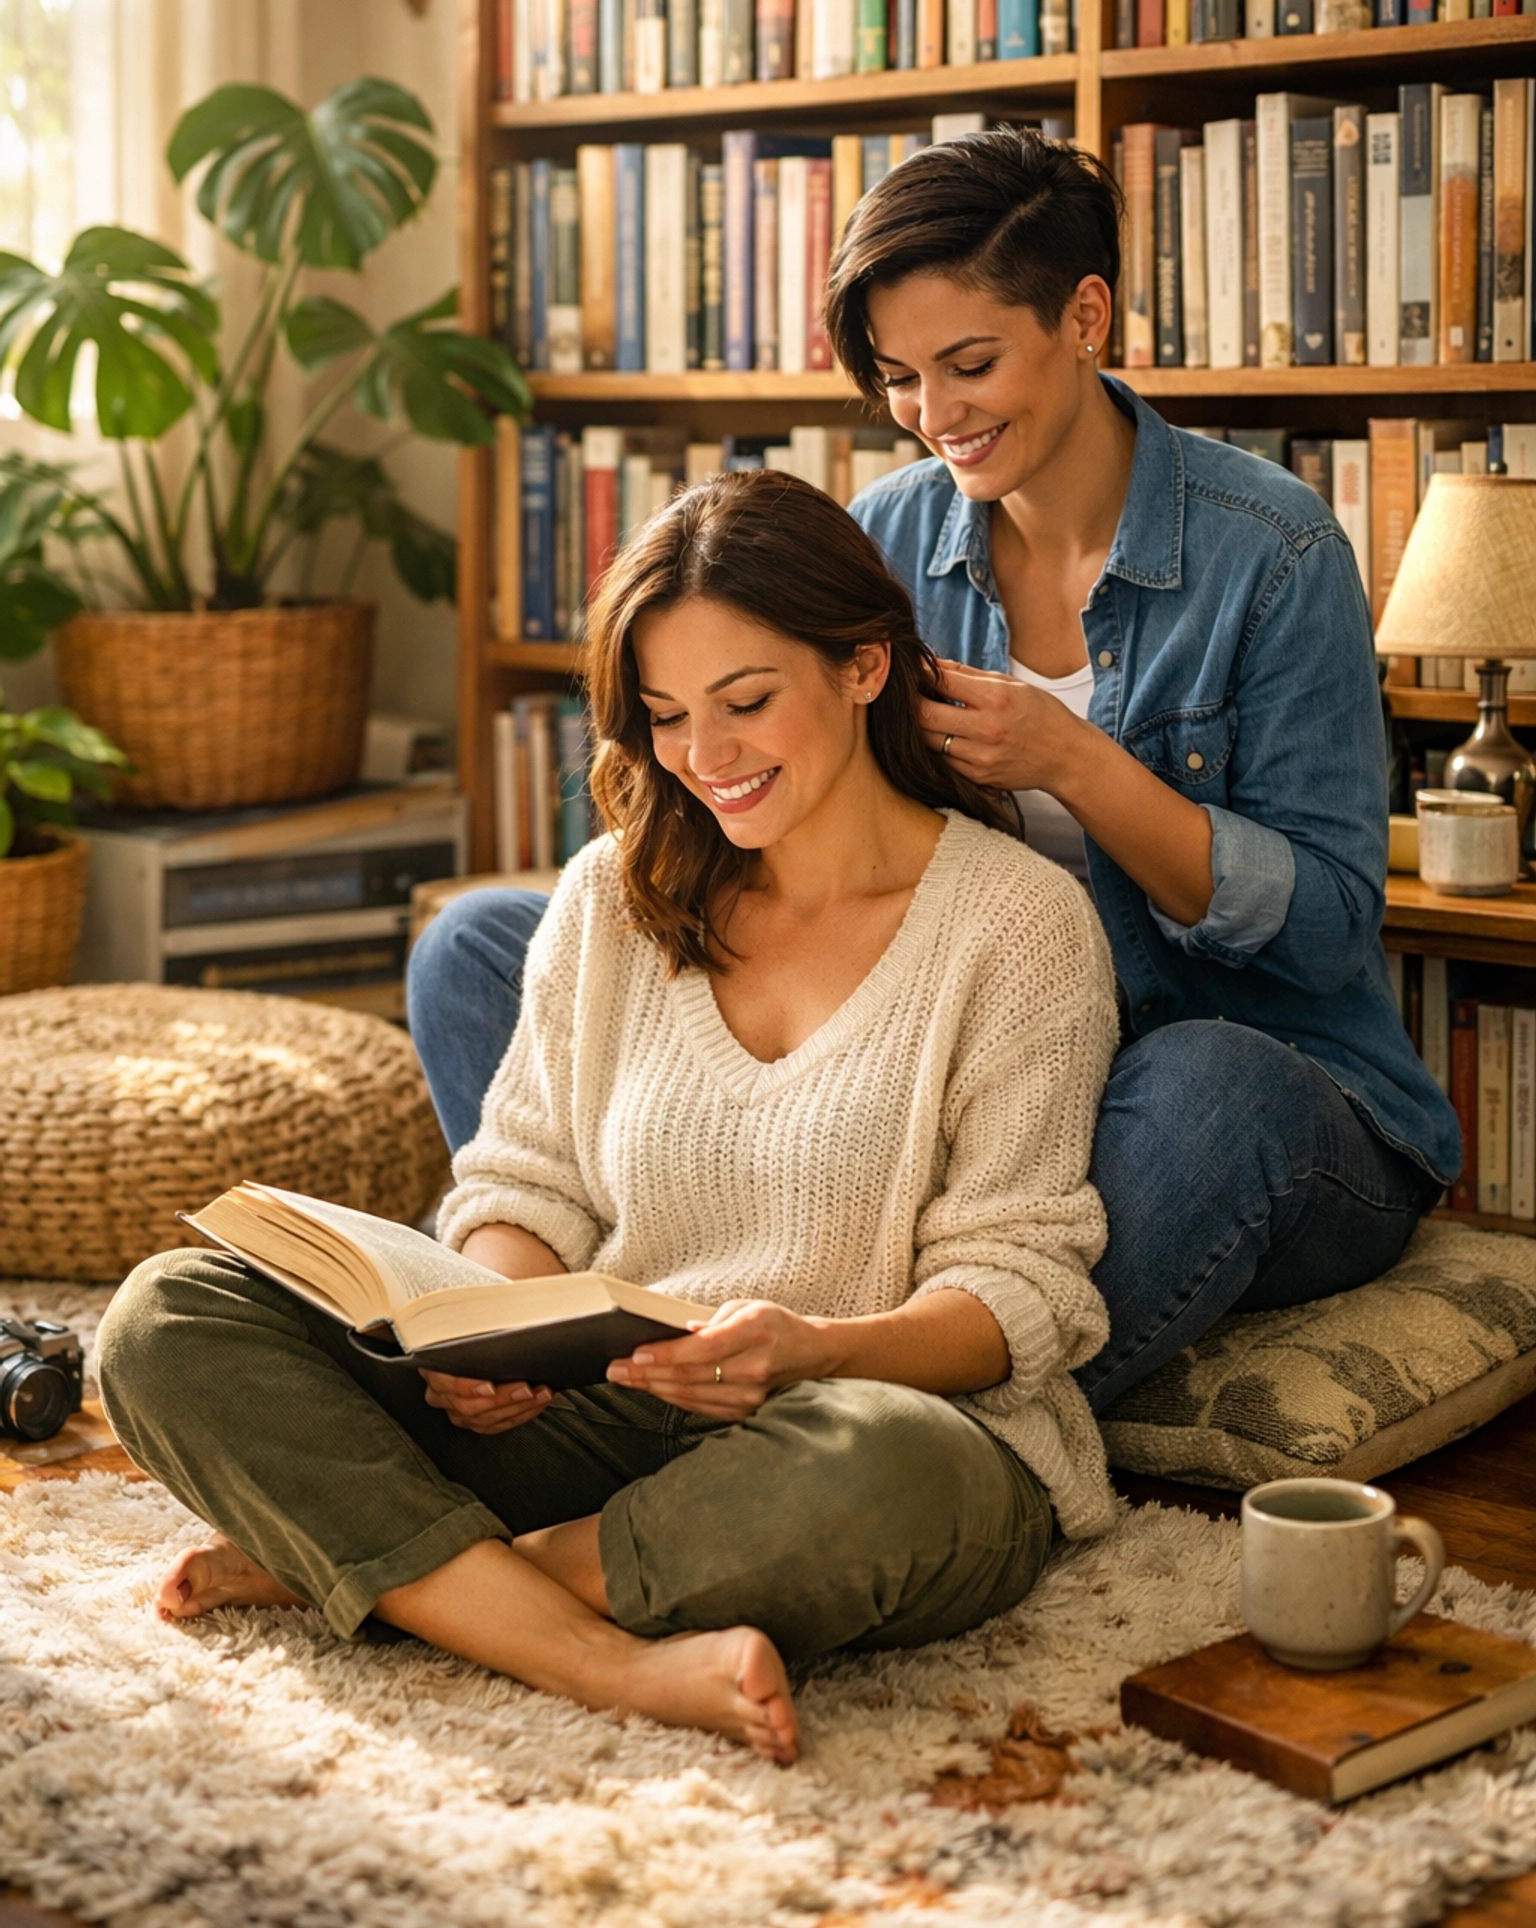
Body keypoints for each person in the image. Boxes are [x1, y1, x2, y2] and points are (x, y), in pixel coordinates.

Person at [410, 131, 1459, 1419]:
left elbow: (1328, 929)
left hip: (1238, 1079)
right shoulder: (901, 531)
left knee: (1209, 1084)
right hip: (950, 1051)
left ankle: (883, 1407)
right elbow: (758, 765)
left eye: (972, 365)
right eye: (901, 379)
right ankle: (616, 1337)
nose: (936, 414)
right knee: (480, 944)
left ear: (1087, 317)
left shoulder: (1273, 552)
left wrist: (1075, 764)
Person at [97, 470, 1119, 1764]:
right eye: (669, 719)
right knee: (166, 1316)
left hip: (840, 1426)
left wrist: (806, 1350)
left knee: (900, 1471)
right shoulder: (615, 895)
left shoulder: (1019, 927)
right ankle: (599, 1655)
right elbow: (526, 1188)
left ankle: (397, 1571)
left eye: (747, 703)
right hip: (599, 1420)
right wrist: (485, 1331)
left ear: (865, 667)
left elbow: (1013, 1298)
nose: (708, 760)